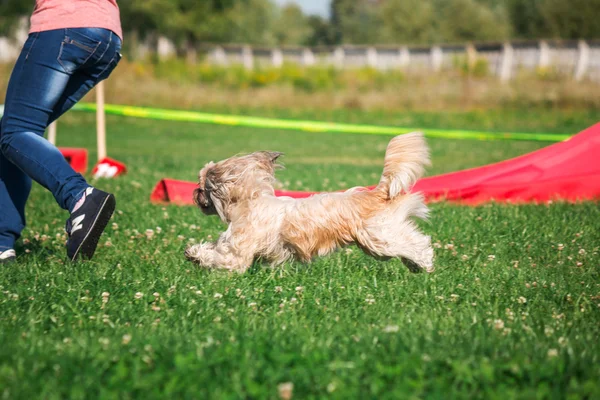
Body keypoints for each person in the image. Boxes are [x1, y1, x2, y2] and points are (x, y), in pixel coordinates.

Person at [0, 0, 123, 263]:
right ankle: (2, 244)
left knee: (15, 131)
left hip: (64, 26)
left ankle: (79, 196)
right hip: (107, 37)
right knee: (20, 135)